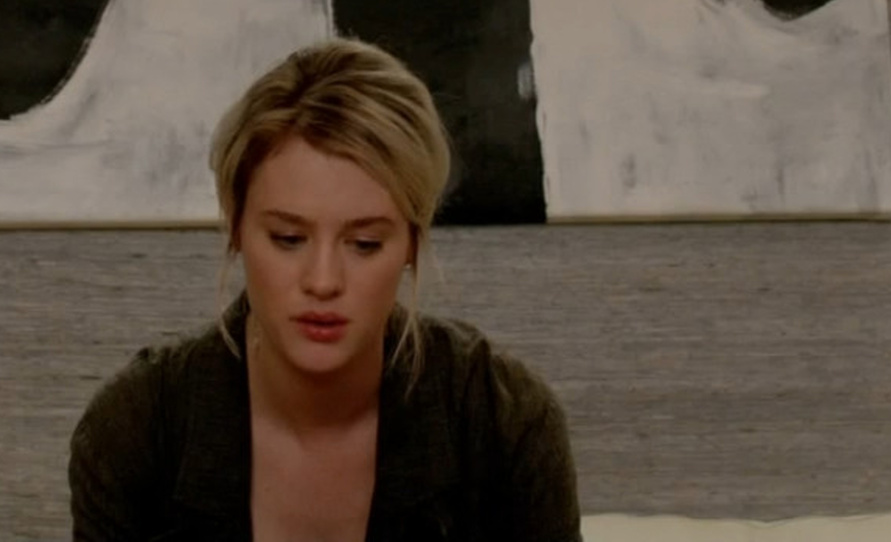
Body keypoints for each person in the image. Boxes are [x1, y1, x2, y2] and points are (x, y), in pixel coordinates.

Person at [69, 37, 581, 541]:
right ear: (235, 228)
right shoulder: (137, 429)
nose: (323, 281)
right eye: (288, 239)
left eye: (364, 244)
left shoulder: (502, 422)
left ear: (411, 242)